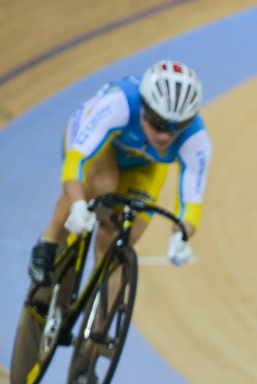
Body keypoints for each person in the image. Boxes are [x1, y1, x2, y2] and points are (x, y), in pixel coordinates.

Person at [27, 59, 212, 287]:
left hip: (143, 167)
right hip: (100, 146)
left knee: (123, 243)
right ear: (144, 109)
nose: (165, 135)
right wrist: (77, 205)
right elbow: (77, 160)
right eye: (159, 123)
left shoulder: (196, 140)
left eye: (178, 126)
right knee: (102, 184)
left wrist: (180, 237)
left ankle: (95, 308)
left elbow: (190, 205)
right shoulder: (119, 104)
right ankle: (49, 240)